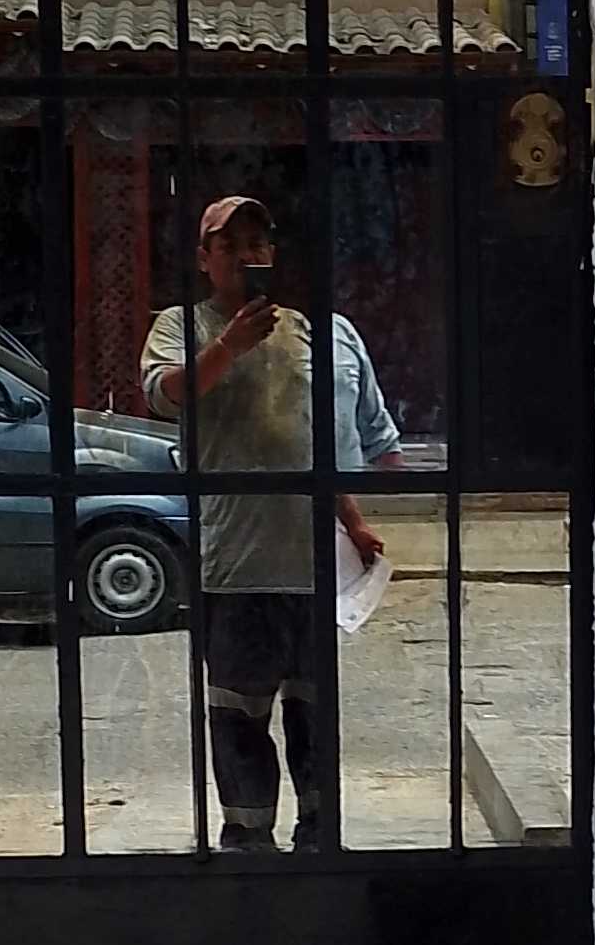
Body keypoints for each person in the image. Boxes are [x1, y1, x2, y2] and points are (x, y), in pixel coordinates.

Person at [139, 195, 400, 851]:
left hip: (310, 559)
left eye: (256, 244)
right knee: (238, 714)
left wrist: (353, 520)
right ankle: (248, 841)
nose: (245, 256)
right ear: (204, 259)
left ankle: (319, 838)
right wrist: (228, 346)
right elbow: (167, 394)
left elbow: (315, 441)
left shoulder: (309, 331)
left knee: (314, 712)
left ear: (272, 254)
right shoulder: (181, 325)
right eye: (229, 246)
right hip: (235, 561)